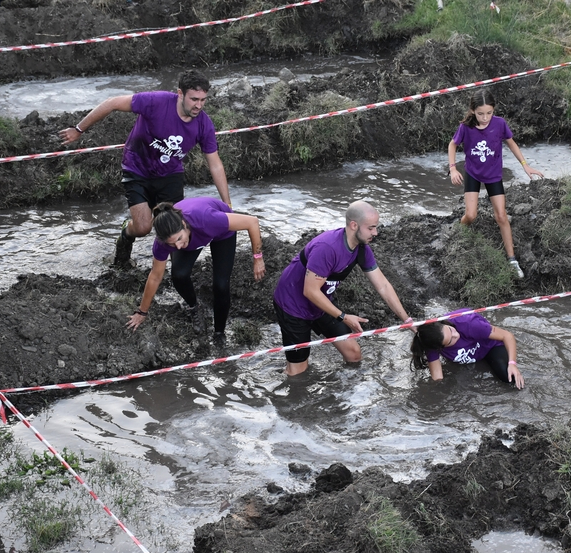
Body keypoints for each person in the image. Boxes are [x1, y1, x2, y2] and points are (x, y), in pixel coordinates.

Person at [58, 70, 231, 268]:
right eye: (194, 99)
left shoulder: (204, 124)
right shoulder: (155, 102)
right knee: (143, 227)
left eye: (203, 100)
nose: (198, 105)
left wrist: (227, 204)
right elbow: (112, 103)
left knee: (175, 227)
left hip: (170, 174)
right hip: (137, 168)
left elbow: (215, 163)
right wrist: (79, 129)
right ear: (180, 94)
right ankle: (126, 234)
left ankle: (174, 272)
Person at [272, 200, 412, 376]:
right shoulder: (327, 248)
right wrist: (344, 317)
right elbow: (310, 291)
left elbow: (383, 285)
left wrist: (407, 320)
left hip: (322, 302)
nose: (375, 233)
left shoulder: (362, 249)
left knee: (353, 353)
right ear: (354, 225)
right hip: (293, 304)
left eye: (376, 227)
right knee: (298, 371)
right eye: (371, 228)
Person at [125, 197, 265, 343]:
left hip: (221, 233)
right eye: (172, 244)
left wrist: (258, 258)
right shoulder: (164, 242)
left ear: (184, 224)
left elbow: (252, 222)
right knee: (179, 274)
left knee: (221, 285)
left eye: (179, 239)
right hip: (193, 235)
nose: (178, 247)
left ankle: (219, 333)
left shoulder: (207, 219)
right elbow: (155, 276)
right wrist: (142, 312)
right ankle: (194, 307)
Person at [447, 89, 544, 279]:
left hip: (493, 175)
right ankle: (459, 231)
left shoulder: (499, 124)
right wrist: (452, 168)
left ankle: (512, 259)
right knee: (471, 215)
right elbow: (453, 144)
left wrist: (525, 165)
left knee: (501, 215)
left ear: (494, 110)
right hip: (473, 173)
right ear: (473, 110)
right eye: (480, 113)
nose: (485, 118)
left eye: (489, 113)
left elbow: (511, 143)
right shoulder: (466, 127)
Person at [410, 311, 525, 389]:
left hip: (490, 347)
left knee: (509, 378)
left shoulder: (468, 323)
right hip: (470, 358)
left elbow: (507, 336)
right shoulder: (432, 342)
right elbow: (437, 377)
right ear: (439, 348)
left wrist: (512, 364)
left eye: (451, 330)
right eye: (451, 340)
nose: (456, 335)